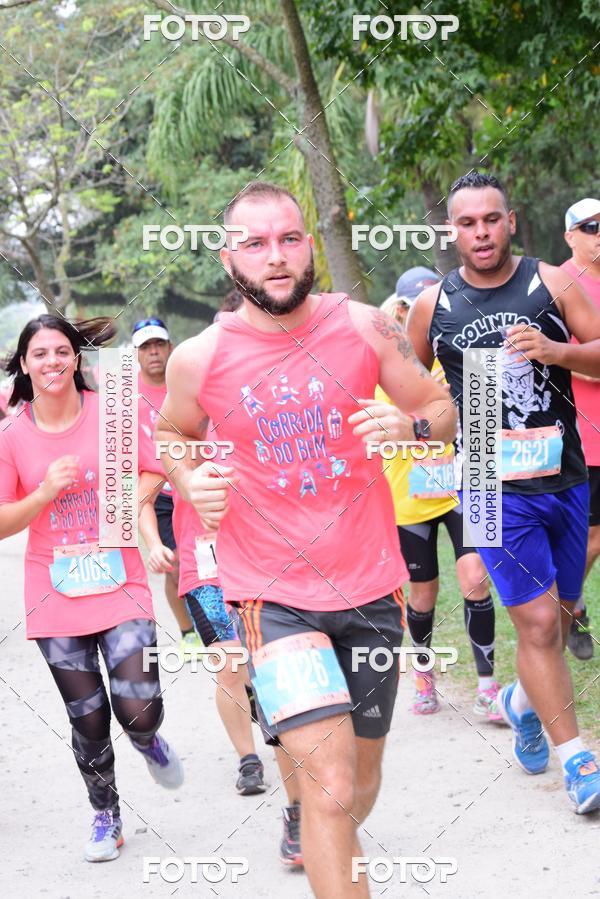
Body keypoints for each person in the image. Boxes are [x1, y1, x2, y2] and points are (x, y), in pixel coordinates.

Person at [154, 180, 457, 898]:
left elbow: (441, 405)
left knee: (358, 783)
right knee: (329, 786)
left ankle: (322, 835)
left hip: (371, 586)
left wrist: (409, 427)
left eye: (290, 238)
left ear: (310, 245)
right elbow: (170, 433)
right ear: (230, 258)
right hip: (272, 594)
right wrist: (189, 476)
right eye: (256, 243)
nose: (276, 256)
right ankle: (317, 825)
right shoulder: (200, 357)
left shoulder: (363, 328)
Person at [407, 172, 600, 814]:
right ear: (451, 231)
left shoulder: (554, 280)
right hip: (488, 482)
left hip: (565, 476)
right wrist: (418, 429)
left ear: (510, 221)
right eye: (467, 223)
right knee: (539, 622)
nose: (481, 233)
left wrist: (555, 350)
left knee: (563, 612)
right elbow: (417, 393)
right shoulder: (432, 306)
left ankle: (521, 701)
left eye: (491, 220)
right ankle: (579, 761)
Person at [0, 315, 183, 863]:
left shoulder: (113, 416)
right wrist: (43, 495)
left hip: (119, 579)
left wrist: (130, 498)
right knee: (88, 717)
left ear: (77, 360)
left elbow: (158, 469)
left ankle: (149, 740)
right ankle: (106, 814)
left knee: (139, 709)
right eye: (40, 354)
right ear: (25, 364)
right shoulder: (12, 434)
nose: (52, 361)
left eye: (62, 351)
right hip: (54, 590)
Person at [138, 466, 304, 866]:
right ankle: (249, 759)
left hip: (261, 560)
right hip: (204, 570)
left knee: (266, 665)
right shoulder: (175, 437)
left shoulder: (249, 418)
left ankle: (282, 737)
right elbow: (140, 495)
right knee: (230, 667)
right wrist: (154, 541)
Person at [376, 268, 502, 720]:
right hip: (408, 493)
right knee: (423, 593)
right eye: (407, 307)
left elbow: (491, 414)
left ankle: (487, 685)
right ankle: (424, 674)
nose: (415, 316)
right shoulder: (385, 361)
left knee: (474, 578)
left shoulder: (461, 352)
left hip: (463, 487)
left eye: (422, 306)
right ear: (398, 309)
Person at [133, 317, 203, 658]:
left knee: (204, 560)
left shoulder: (186, 384)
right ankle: (188, 631)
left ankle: (221, 624)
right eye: (146, 347)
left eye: (158, 345)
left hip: (193, 487)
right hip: (159, 493)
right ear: (136, 354)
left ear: (170, 347)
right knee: (173, 565)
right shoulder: (126, 399)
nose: (154, 352)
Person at [561, 198, 600, 660]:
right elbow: (567, 359)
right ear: (571, 235)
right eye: (590, 226)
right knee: (589, 539)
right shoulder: (562, 283)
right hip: (583, 438)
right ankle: (570, 608)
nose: (599, 233)